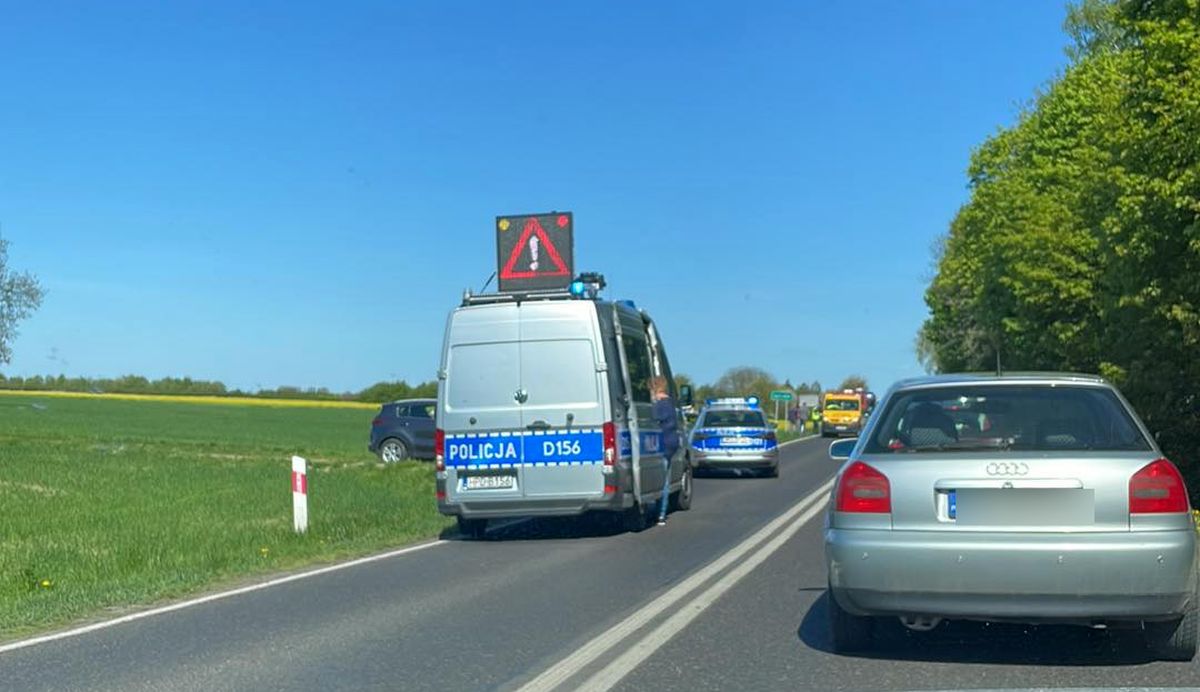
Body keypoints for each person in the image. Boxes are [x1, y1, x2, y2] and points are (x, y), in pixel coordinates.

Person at [650, 376, 680, 526]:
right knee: (665, 477)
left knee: (661, 481)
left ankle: (660, 513)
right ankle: (661, 513)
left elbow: (654, 421)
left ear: (654, 388)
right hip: (672, 442)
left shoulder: (659, 405)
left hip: (662, 443)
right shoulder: (671, 404)